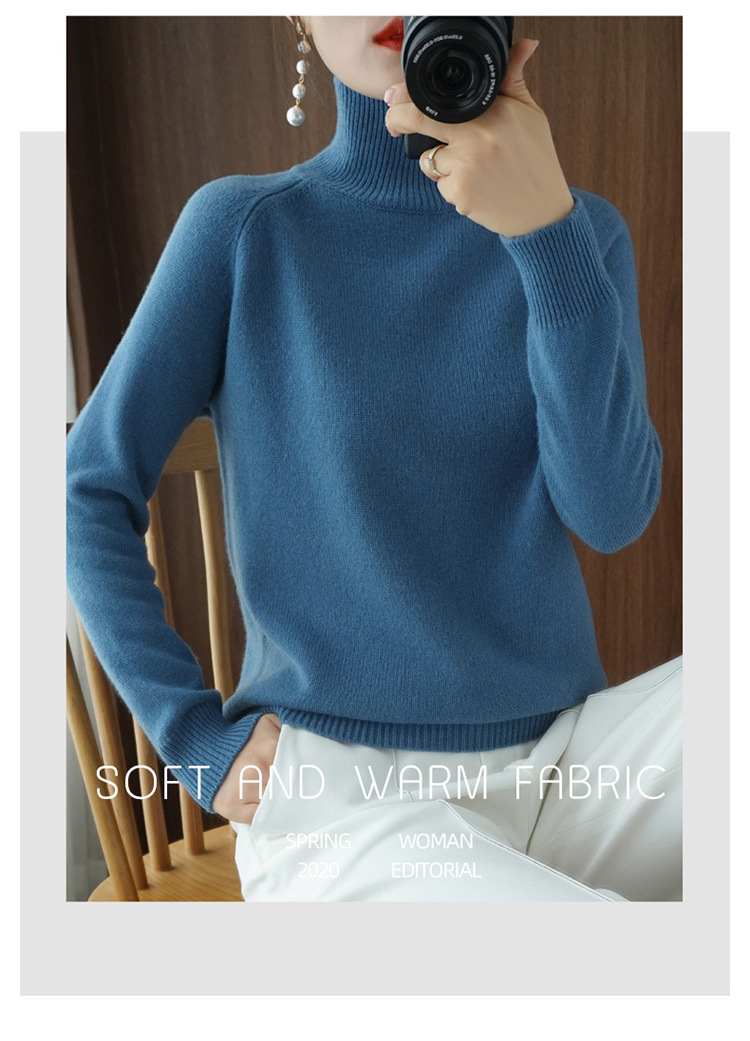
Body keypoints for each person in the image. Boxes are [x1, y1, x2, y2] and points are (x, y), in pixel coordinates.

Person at [66, 16, 682, 902]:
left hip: (571, 768)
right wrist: (195, 741)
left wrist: (546, 236)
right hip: (344, 799)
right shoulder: (246, 231)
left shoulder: (581, 234)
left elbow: (611, 514)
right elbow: (87, 486)